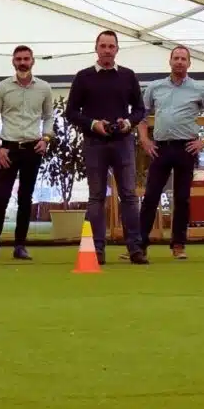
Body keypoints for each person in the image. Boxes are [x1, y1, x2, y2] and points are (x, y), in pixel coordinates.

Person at [63, 30, 147, 265]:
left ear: (117, 49)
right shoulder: (83, 77)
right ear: (96, 48)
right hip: (94, 143)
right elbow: (71, 112)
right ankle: (96, 250)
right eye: (103, 46)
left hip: (123, 142)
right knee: (96, 197)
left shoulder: (128, 76)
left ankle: (135, 249)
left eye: (111, 46)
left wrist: (128, 122)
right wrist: (93, 124)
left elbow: (140, 110)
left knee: (129, 196)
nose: (107, 50)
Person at [137, 46, 204, 260]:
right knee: (151, 196)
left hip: (186, 148)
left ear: (189, 63)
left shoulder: (199, 89)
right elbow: (141, 116)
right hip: (160, 148)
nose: (179, 62)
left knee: (182, 198)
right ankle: (139, 245)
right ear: (170, 61)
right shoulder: (154, 87)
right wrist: (145, 140)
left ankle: (178, 244)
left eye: (183, 59)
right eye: (176, 58)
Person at [0, 44, 54, 262]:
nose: (22, 63)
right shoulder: (2, 88)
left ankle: (20, 246)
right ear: (13, 62)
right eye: (19, 59)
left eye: (26, 59)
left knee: (25, 198)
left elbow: (49, 117)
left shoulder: (44, 88)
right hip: (8, 149)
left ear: (33, 61)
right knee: (1, 197)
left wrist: (45, 139)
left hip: (33, 149)